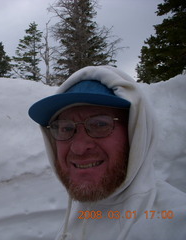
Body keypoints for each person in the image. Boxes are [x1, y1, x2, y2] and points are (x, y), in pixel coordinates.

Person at [28, 66, 186, 240]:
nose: (79, 148)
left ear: (135, 133)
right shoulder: (81, 213)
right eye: (66, 128)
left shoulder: (173, 221)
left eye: (100, 125)